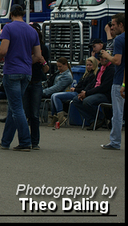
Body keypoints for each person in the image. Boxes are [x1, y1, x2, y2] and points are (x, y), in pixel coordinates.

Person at [0, 4, 45, 151]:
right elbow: (38, 56)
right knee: (14, 106)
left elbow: (3, 50)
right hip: (26, 72)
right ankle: (5, 141)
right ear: (23, 14)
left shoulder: (9, 28)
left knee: (17, 107)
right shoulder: (32, 31)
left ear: (11, 14)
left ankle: (25, 141)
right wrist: (27, 61)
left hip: (12, 70)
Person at [48, 57, 98, 127]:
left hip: (79, 93)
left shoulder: (93, 76)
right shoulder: (86, 75)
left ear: (94, 65)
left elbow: (86, 88)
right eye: (87, 65)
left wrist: (75, 89)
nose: (88, 67)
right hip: (76, 91)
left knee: (56, 96)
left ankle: (60, 117)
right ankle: (55, 116)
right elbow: (80, 85)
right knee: (53, 95)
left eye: (90, 65)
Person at [100, 12, 124, 150]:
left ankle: (115, 142)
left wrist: (107, 55)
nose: (112, 27)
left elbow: (117, 61)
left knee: (117, 113)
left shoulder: (120, 40)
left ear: (121, 25)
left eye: (114, 25)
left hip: (119, 80)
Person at [70, 55, 114, 130]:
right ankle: (93, 120)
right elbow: (93, 84)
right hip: (95, 92)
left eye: (104, 58)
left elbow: (103, 87)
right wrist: (84, 92)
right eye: (100, 58)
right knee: (76, 100)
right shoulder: (101, 70)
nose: (101, 60)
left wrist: (87, 93)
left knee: (87, 101)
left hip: (105, 94)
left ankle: (101, 117)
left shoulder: (111, 70)